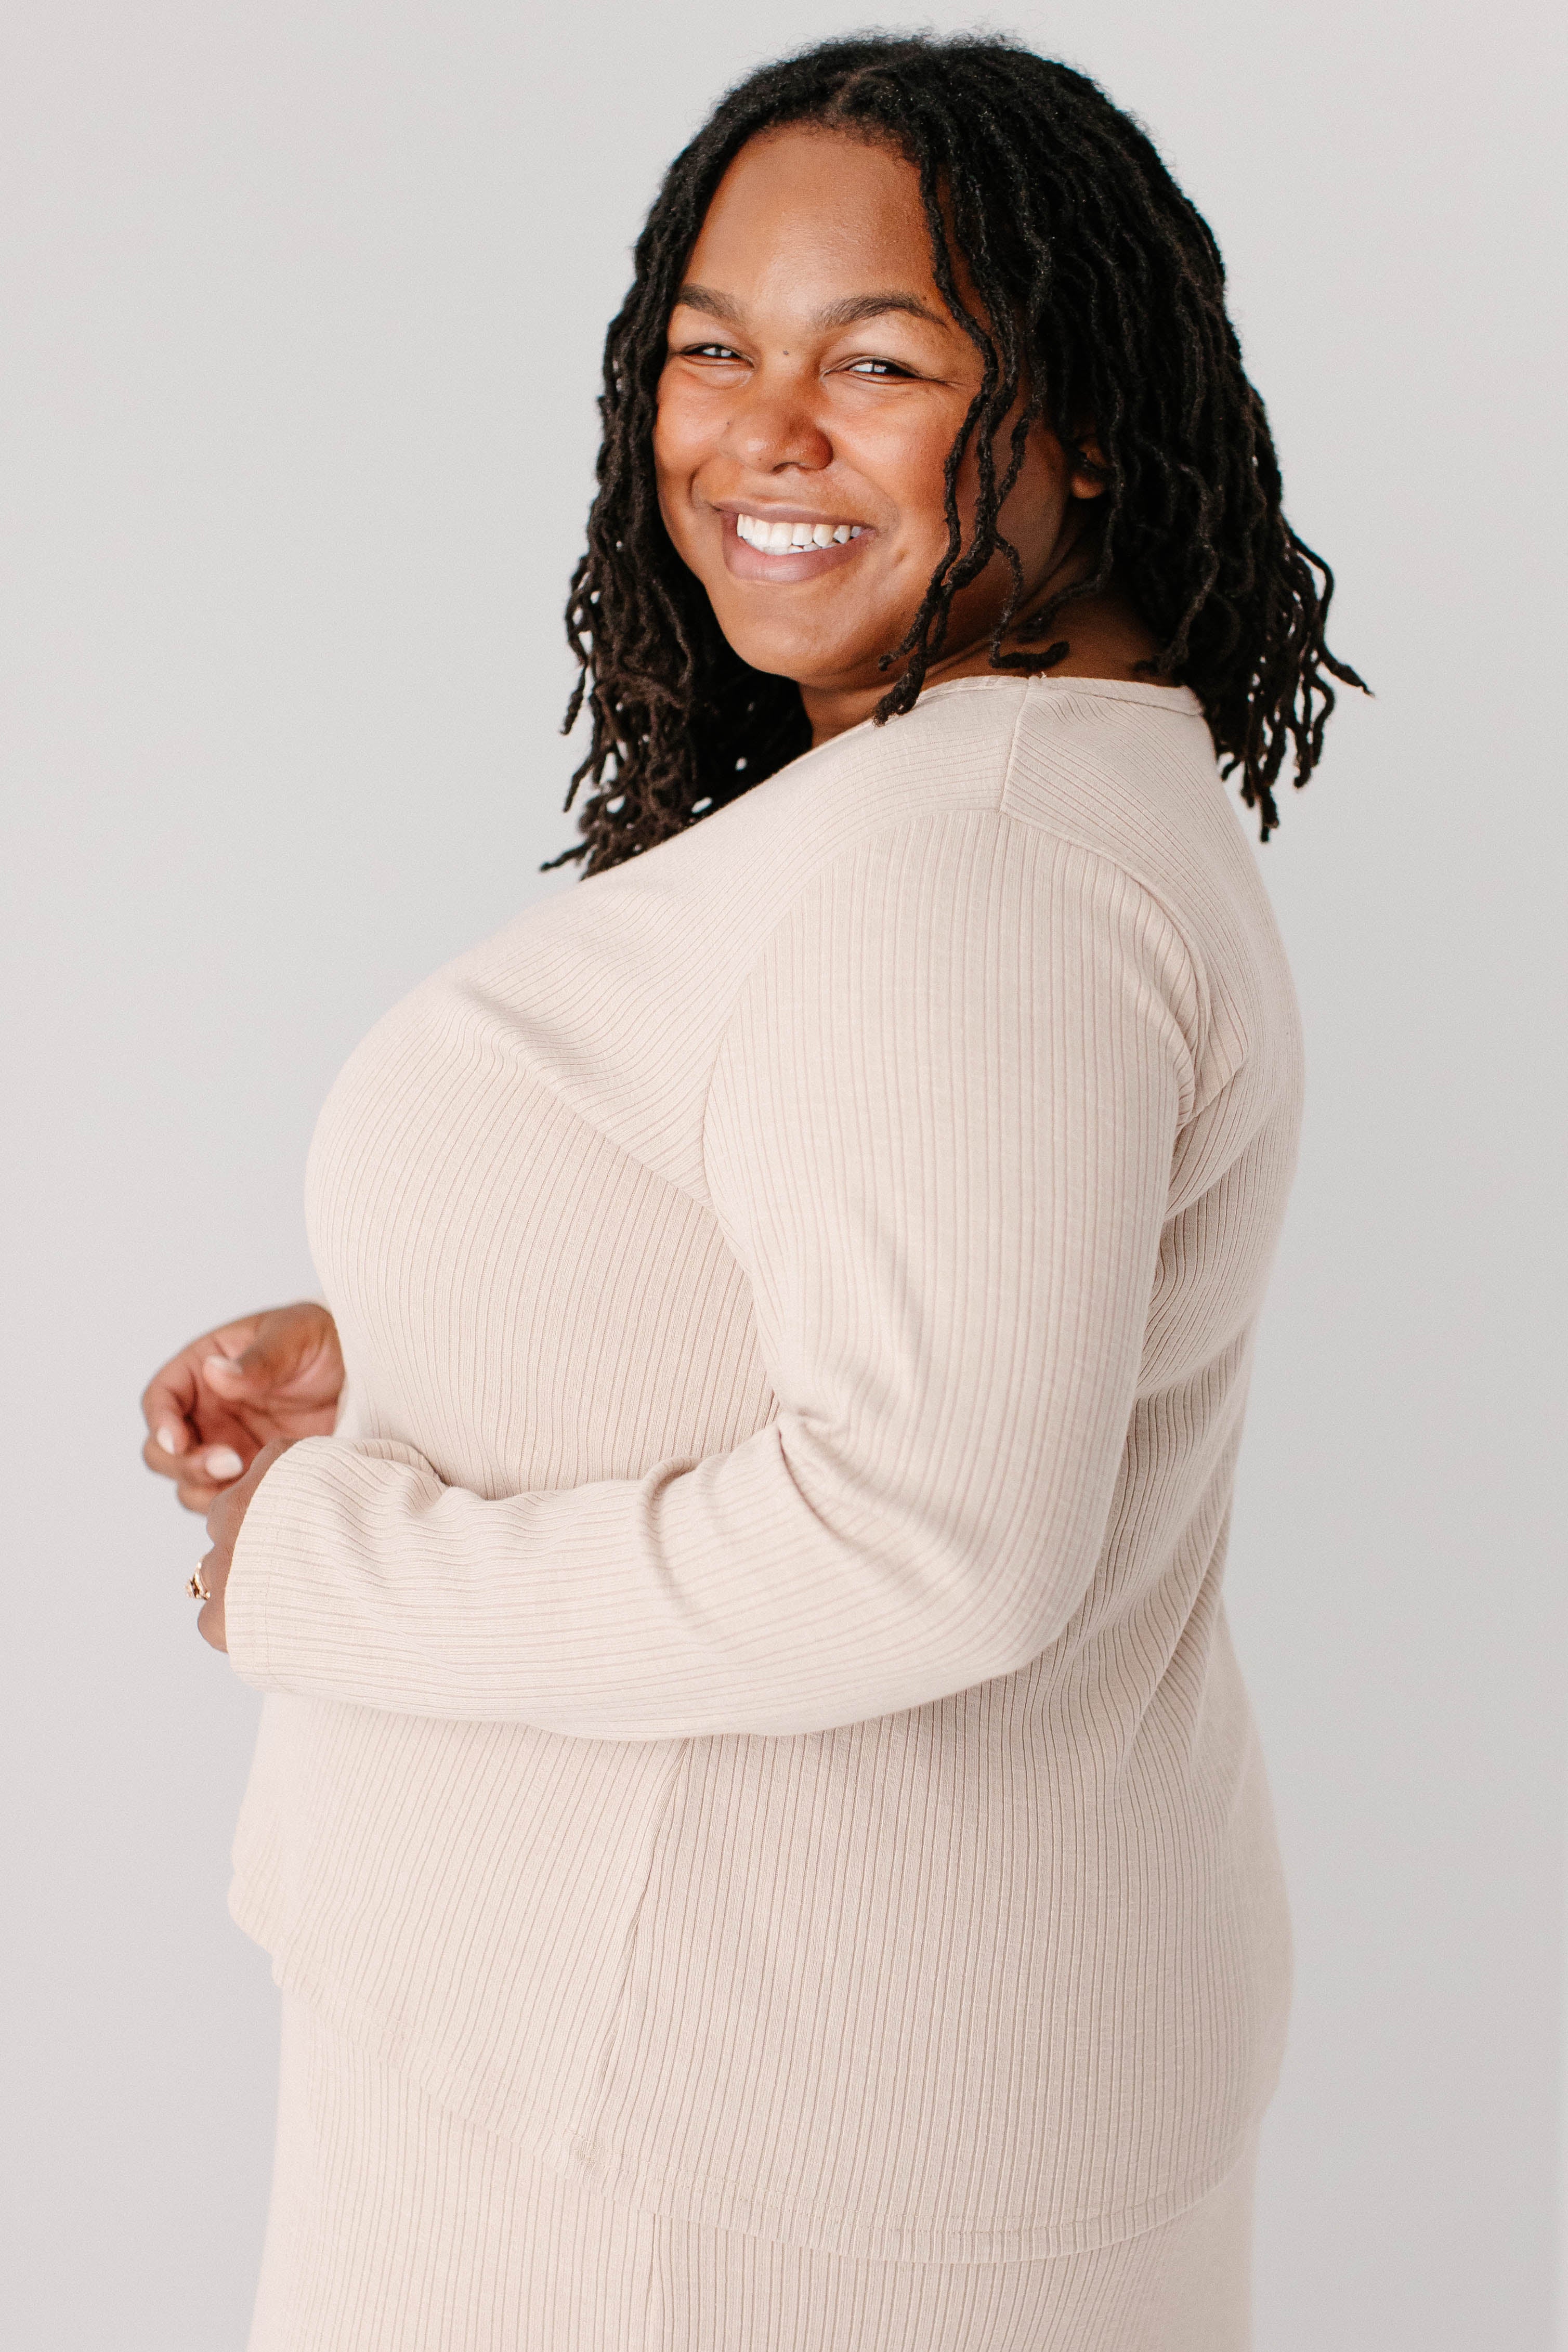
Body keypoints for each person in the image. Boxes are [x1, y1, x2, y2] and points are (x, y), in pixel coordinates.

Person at [140, 33, 1362, 2351]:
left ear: (1089, 417)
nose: (761, 434)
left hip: (689, 2151)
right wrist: (434, 1336)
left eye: (876, 362)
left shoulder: (972, 858)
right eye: (711, 353)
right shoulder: (1015, 805)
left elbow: (929, 1541)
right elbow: (883, 1288)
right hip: (749, 2093)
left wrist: (319, 1567)